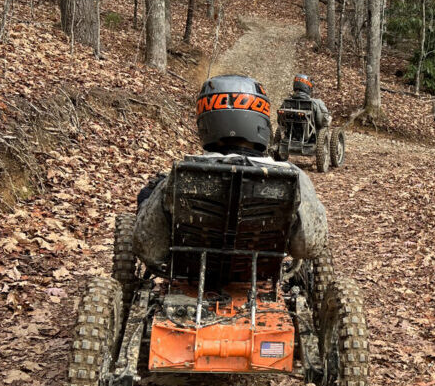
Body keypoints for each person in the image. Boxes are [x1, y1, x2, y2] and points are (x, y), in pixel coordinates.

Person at [132, 74, 328, 273]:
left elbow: (148, 247)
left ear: (205, 119)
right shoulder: (292, 176)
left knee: (146, 195)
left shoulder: (183, 172)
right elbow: (310, 244)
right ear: (261, 119)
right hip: (260, 273)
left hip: (192, 274)